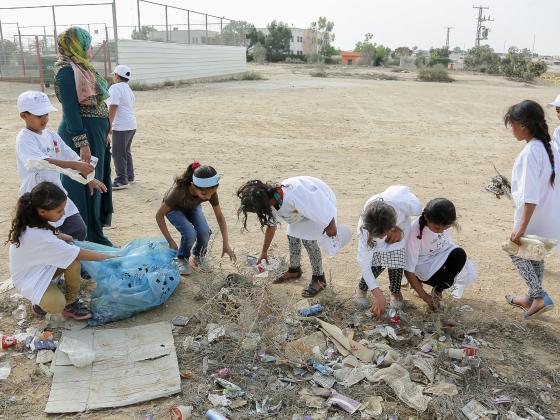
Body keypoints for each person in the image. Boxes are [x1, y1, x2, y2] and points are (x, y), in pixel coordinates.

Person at [7, 182, 114, 320]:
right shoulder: (39, 237)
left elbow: (50, 233)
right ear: (42, 211)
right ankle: (41, 303)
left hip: (39, 267)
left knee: (72, 261)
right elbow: (79, 253)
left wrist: (61, 236)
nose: (63, 214)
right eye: (59, 211)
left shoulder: (33, 219)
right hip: (29, 279)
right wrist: (109, 257)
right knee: (56, 304)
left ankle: (70, 302)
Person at [15, 90, 107, 242]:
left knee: (77, 228)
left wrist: (89, 178)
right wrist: (74, 165)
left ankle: (67, 259)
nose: (44, 119)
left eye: (46, 114)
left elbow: (70, 155)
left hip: (56, 191)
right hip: (37, 197)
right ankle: (56, 262)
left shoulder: (51, 135)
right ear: (24, 116)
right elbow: (39, 162)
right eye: (39, 116)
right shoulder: (24, 139)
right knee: (45, 236)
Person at [54, 26, 113, 246]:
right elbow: (71, 112)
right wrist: (83, 144)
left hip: (96, 135)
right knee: (81, 185)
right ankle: (84, 239)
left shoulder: (82, 69)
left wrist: (105, 132)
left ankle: (95, 234)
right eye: (87, 43)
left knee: (96, 184)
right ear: (78, 46)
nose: (91, 47)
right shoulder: (66, 72)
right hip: (81, 137)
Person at [503, 100, 560, 318]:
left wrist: (521, 227)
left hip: (534, 215)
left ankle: (538, 297)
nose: (512, 130)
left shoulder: (531, 152)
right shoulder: (550, 146)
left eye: (513, 125)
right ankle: (530, 297)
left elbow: (530, 196)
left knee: (515, 249)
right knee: (535, 253)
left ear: (523, 125)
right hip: (550, 214)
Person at [237, 176, 338, 297]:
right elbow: (271, 226)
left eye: (257, 210)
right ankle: (294, 270)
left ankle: (319, 279)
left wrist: (331, 222)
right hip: (298, 211)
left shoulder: (295, 196)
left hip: (322, 202)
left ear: (264, 203)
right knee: (292, 235)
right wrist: (264, 252)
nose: (259, 213)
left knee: (308, 240)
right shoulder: (269, 200)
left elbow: (318, 201)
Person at [155, 162, 236, 275]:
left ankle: (198, 256)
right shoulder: (178, 191)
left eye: (211, 194)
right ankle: (182, 258)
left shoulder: (210, 191)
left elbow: (220, 217)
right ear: (193, 186)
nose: (208, 197)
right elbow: (159, 215)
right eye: (204, 194)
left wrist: (226, 244)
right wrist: (170, 240)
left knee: (204, 232)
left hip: (192, 206)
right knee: (190, 233)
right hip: (174, 208)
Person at [355, 185, 422, 317]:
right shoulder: (364, 229)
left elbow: (418, 208)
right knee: (376, 262)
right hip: (383, 230)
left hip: (398, 234)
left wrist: (399, 229)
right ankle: (361, 289)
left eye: (382, 234)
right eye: (378, 235)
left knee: (397, 261)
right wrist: (377, 294)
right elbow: (364, 264)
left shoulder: (406, 204)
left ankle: (395, 292)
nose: (381, 238)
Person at [404, 198, 475, 309]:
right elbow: (408, 269)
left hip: (439, 253)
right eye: (437, 228)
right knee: (447, 281)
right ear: (427, 218)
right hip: (422, 262)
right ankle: (418, 281)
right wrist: (424, 296)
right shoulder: (415, 232)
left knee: (460, 254)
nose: (442, 231)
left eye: (446, 228)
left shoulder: (440, 219)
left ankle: (437, 289)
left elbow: (445, 243)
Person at [107, 64, 137, 190]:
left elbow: (113, 106)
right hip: (131, 125)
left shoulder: (115, 87)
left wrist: (108, 124)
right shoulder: (128, 89)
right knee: (125, 151)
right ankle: (129, 176)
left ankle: (121, 180)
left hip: (121, 126)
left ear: (117, 76)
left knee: (118, 153)